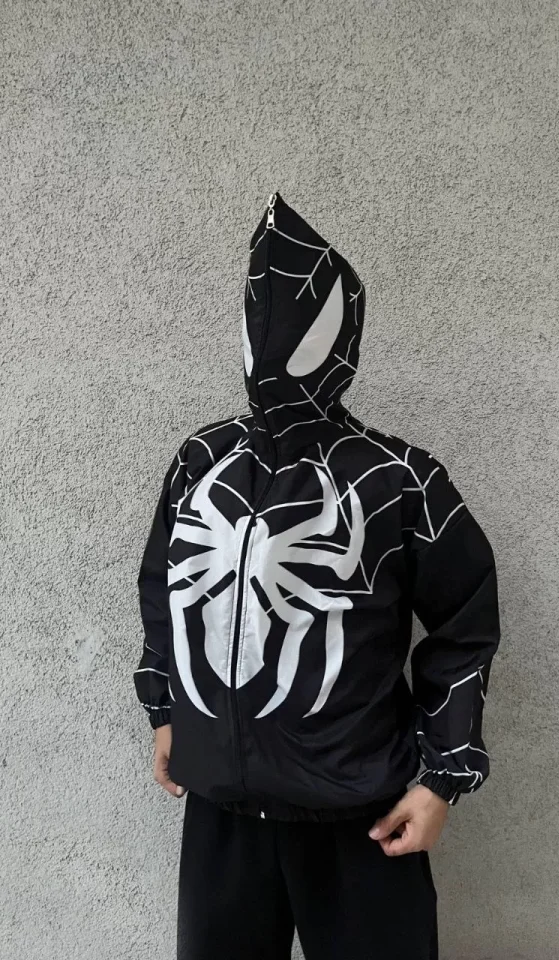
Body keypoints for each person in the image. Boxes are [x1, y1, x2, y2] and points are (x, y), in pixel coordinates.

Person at [133, 191, 501, 960]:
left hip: (361, 816)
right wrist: (165, 708)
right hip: (222, 815)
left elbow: (465, 624)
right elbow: (164, 591)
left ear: (342, 330)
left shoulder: (400, 480)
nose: (272, 326)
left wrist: (442, 777)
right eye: (259, 303)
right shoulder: (202, 461)